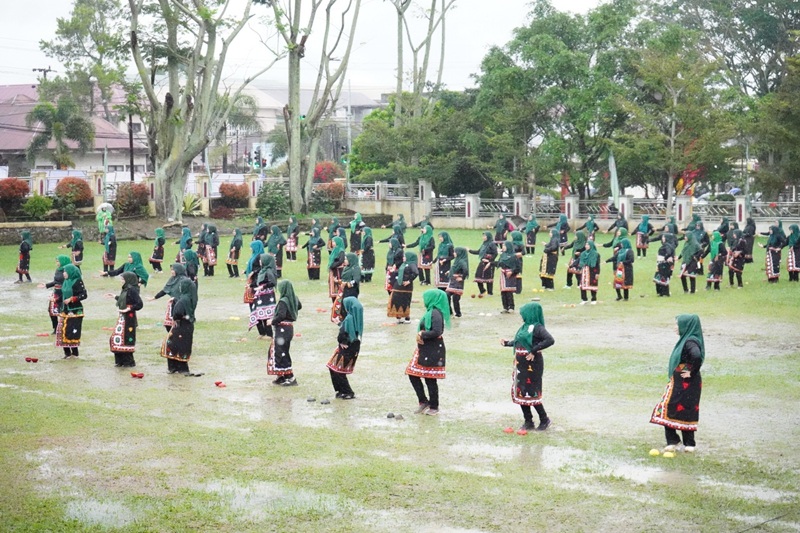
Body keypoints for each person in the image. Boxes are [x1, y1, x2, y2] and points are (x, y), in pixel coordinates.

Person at [650, 314, 704, 453]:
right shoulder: (688, 339)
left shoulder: (690, 341)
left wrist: (691, 372)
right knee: (685, 408)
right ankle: (686, 443)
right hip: (686, 380)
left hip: (685, 381)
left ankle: (676, 441)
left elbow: (697, 356)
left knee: (669, 406)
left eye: (677, 324)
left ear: (686, 326)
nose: (675, 327)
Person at [500, 302, 554, 431]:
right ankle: (528, 421)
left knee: (532, 392)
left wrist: (534, 350)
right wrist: (507, 343)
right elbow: (520, 341)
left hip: (532, 365)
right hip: (521, 365)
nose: (521, 316)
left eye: (523, 314)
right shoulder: (525, 327)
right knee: (521, 391)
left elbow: (550, 340)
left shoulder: (537, 327)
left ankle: (544, 419)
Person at [406, 289, 450, 415]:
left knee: (430, 378)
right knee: (412, 373)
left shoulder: (436, 313)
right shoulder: (430, 311)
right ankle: (423, 401)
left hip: (433, 349)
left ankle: (434, 406)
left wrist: (422, 334)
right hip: (424, 348)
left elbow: (437, 331)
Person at [326, 297, 363, 399]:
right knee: (334, 368)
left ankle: (347, 392)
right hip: (354, 347)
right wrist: (339, 323)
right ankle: (341, 390)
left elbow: (344, 332)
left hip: (347, 348)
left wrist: (342, 341)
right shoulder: (356, 317)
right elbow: (349, 329)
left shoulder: (349, 318)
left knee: (338, 370)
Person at [267, 280, 301, 386]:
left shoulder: (283, 301)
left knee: (281, 352)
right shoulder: (293, 298)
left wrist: (272, 321)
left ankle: (290, 377)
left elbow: (281, 315)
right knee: (281, 351)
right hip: (289, 329)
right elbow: (299, 306)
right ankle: (281, 376)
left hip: (282, 329)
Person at [161, 277, 198, 375]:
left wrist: (175, 318)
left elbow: (178, 312)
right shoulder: (191, 298)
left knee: (173, 344)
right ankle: (179, 366)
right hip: (188, 325)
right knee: (183, 345)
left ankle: (175, 367)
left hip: (180, 326)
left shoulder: (183, 300)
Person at [108, 271, 143, 368]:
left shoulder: (132, 290)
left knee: (127, 338)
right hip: (122, 316)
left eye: (123, 279)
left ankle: (128, 362)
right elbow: (125, 299)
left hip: (129, 318)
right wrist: (115, 296)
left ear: (128, 280)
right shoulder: (125, 289)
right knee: (117, 338)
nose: (121, 281)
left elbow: (139, 304)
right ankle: (120, 361)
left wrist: (129, 308)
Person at [56, 264, 87, 359]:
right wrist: (55, 299)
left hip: (75, 311)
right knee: (62, 331)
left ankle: (75, 353)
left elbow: (84, 295)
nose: (63, 273)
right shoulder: (66, 282)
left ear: (70, 272)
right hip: (65, 310)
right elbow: (64, 295)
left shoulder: (77, 281)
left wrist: (72, 299)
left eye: (65, 272)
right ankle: (67, 353)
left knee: (72, 331)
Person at [149, 263, 188, 333]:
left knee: (179, 323)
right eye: (171, 270)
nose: (171, 271)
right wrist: (154, 297)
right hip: (173, 303)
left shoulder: (185, 281)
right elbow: (165, 290)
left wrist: (177, 299)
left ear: (178, 270)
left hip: (182, 304)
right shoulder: (172, 279)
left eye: (173, 270)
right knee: (169, 325)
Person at [250, 254, 278, 338]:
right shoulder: (262, 270)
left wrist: (263, 287)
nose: (259, 261)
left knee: (266, 314)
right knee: (258, 313)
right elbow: (258, 281)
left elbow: (272, 283)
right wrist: (251, 285)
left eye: (261, 260)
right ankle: (262, 333)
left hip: (267, 296)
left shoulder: (269, 271)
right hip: (260, 295)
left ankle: (269, 334)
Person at [41, 255, 71, 333]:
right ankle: (55, 328)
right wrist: (46, 285)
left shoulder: (68, 270)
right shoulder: (58, 270)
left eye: (58, 261)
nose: (57, 263)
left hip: (64, 293)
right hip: (56, 292)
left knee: (64, 311)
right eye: (56, 261)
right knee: (51, 310)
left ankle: (65, 328)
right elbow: (55, 281)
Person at [388, 251, 418, 323]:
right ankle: (399, 317)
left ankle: (406, 318)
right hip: (398, 285)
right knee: (396, 300)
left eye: (405, 256)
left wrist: (409, 281)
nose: (403, 258)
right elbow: (400, 272)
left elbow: (416, 273)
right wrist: (393, 271)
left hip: (406, 287)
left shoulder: (412, 264)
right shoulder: (404, 264)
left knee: (405, 301)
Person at [332, 253, 360, 324]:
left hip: (351, 291)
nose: (344, 261)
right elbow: (344, 280)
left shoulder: (356, 268)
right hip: (344, 290)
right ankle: (344, 322)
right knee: (341, 306)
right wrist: (338, 281)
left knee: (348, 307)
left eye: (346, 259)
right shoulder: (346, 268)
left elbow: (356, 280)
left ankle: (350, 322)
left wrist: (347, 284)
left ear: (351, 260)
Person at [469, 231, 498, 297]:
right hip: (482, 263)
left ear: (488, 237)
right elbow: (478, 252)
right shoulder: (484, 244)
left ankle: (490, 293)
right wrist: (469, 250)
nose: (483, 237)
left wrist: (489, 260)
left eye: (485, 236)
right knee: (478, 277)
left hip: (489, 264)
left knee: (489, 278)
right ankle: (482, 291)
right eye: (483, 236)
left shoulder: (492, 244)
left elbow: (495, 253)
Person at [497, 241, 521, 313]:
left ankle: (511, 307)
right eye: (502, 246)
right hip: (503, 274)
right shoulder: (502, 255)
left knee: (509, 291)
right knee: (503, 291)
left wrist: (512, 272)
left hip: (510, 275)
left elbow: (518, 267)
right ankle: (505, 307)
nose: (503, 247)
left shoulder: (514, 256)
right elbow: (499, 263)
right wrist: (490, 263)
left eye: (504, 246)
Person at [446, 247, 469, 318]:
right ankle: (449, 312)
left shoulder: (462, 261)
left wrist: (462, 278)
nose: (454, 253)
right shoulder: (457, 260)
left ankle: (458, 313)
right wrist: (450, 272)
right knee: (446, 295)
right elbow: (455, 268)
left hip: (458, 283)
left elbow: (465, 270)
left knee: (455, 299)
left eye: (455, 252)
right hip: (452, 282)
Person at [578, 240, 600, 304]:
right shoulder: (583, 254)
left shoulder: (596, 254)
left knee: (593, 284)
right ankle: (584, 299)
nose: (586, 246)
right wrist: (571, 266)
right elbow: (579, 261)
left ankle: (593, 299)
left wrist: (597, 273)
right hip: (584, 271)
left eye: (588, 245)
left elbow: (597, 264)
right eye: (586, 245)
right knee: (583, 285)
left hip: (593, 271)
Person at [328, 236, 347, 304]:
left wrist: (333, 265)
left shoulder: (341, 251)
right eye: (332, 242)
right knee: (333, 286)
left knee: (338, 285)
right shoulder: (334, 250)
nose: (333, 243)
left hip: (338, 271)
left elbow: (341, 260)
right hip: (334, 271)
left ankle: (339, 303)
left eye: (334, 242)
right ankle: (334, 303)